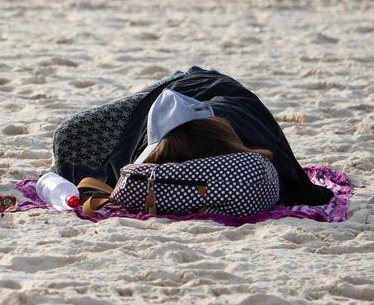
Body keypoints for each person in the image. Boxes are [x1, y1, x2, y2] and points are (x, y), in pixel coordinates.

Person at [51, 66, 331, 206]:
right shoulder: (175, 141)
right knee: (70, 137)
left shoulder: (264, 165)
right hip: (182, 88)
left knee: (72, 138)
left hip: (205, 98)